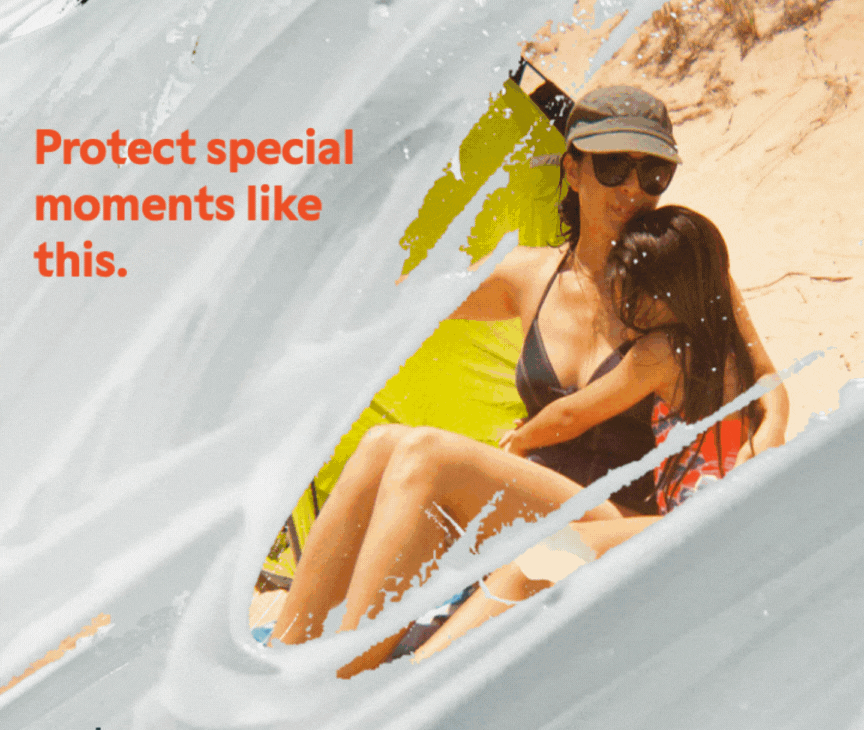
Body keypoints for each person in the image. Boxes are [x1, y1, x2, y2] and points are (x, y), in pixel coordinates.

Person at [270, 86, 788, 655]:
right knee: (379, 445)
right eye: (614, 167)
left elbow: (762, 374)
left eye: (654, 173)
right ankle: (281, 660)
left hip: (620, 509)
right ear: (573, 169)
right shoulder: (530, 276)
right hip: (536, 501)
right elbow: (404, 304)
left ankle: (345, 675)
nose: (634, 190)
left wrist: (770, 433)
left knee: (426, 456)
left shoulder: (677, 275)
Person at [410, 204, 770, 662]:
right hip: (721, 524)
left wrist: (521, 440)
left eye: (633, 292)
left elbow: (572, 415)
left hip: (687, 531)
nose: (625, 306)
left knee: (534, 564)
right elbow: (769, 397)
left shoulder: (660, 351)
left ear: (662, 294)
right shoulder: (727, 349)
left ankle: (418, 674)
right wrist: (766, 448)